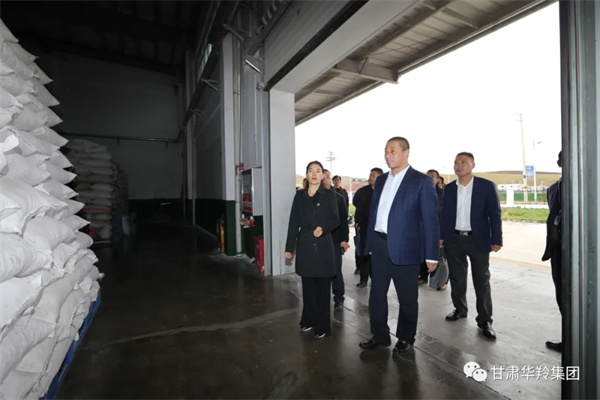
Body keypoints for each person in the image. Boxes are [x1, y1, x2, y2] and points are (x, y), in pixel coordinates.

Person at [359, 137, 439, 356]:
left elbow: (430, 220)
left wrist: (432, 255)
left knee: (407, 298)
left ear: (406, 152)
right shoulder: (381, 180)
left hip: (406, 248)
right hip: (379, 246)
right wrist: (369, 242)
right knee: (376, 295)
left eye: (392, 151)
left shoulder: (421, 181)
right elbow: (374, 213)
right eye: (386, 151)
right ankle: (379, 335)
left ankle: (405, 337)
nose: (388, 155)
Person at [440, 152, 502, 340]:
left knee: (481, 280)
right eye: (456, 162)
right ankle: (459, 308)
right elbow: (444, 214)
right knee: (457, 277)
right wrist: (441, 236)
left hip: (478, 239)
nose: (459, 166)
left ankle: (485, 320)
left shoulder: (486, 186)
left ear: (473, 165)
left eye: (463, 162)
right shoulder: (449, 188)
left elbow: (495, 213)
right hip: (454, 239)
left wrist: (497, 238)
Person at [285, 161, 339, 339]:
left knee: (323, 290)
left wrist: (323, 228)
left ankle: (323, 325)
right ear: (306, 175)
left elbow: (335, 219)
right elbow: (293, 222)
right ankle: (309, 320)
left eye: (318, 171)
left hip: (323, 246)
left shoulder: (330, 195)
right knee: (308, 288)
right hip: (306, 245)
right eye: (310, 171)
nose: (314, 174)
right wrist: (289, 247)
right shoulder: (299, 196)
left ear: (322, 175)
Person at [542, 151, 563, 352]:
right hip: (558, 250)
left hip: (587, 251)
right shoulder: (552, 189)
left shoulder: (591, 184)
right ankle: (570, 338)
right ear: (559, 163)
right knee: (562, 293)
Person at [322, 169, 350, 310]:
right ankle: (322, 297)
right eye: (323, 177)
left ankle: (339, 298)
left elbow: (344, 221)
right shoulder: (314, 197)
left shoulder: (338, 198)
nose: (325, 179)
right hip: (320, 241)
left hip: (335, 240)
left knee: (336, 270)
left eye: (327, 177)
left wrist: (344, 240)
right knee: (321, 270)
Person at [352, 167, 383, 288]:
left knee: (377, 255)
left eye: (374, 175)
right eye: (370, 175)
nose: (371, 177)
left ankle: (376, 279)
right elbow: (357, 205)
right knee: (364, 252)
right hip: (364, 226)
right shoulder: (362, 191)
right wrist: (357, 222)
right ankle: (363, 279)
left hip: (378, 228)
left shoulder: (383, 191)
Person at [418, 169, 445, 286]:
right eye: (427, 176)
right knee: (424, 253)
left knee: (441, 257)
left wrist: (442, 235)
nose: (429, 178)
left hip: (439, 229)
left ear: (438, 180)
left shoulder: (443, 194)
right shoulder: (421, 191)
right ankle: (423, 276)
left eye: (432, 176)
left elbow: (446, 214)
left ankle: (442, 281)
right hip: (423, 229)